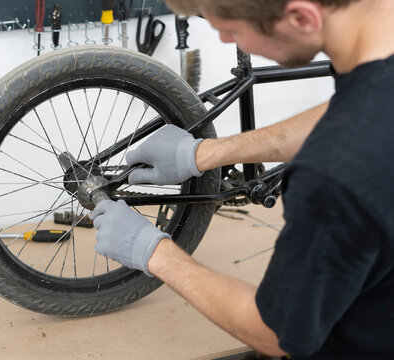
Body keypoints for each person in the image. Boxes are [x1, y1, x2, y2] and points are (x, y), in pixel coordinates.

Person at [91, 0, 394, 359]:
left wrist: (154, 252)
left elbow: (274, 331)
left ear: (300, 17)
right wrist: (206, 154)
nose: (223, 39)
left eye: (232, 31)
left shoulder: (334, 176)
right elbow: (359, 110)